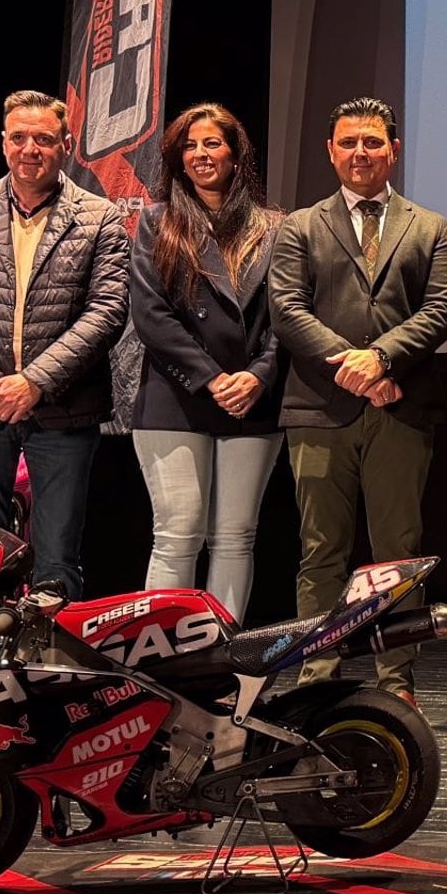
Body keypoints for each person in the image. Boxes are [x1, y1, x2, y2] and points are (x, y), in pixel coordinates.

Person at [268, 97, 447, 700]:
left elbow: (444, 306)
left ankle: (396, 680)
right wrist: (353, 367)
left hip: (401, 409)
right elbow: (286, 309)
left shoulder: (429, 225)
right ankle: (316, 678)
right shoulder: (300, 226)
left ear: (393, 150)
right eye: (349, 142)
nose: (361, 153)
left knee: (397, 551)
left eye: (373, 142)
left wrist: (380, 358)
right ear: (331, 151)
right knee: (321, 551)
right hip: (319, 410)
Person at [0, 89, 129, 597]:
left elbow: (107, 311)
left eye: (43, 138)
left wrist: (34, 382)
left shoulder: (100, 217)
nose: (30, 148)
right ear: (3, 143)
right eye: (19, 137)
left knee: (58, 556)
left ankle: (48, 670)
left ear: (67, 145)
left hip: (63, 410)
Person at [128, 102, 285, 623]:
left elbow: (288, 317)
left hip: (253, 402)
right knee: (177, 535)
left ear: (236, 155)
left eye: (212, 143)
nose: (200, 154)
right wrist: (212, 378)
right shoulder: (157, 222)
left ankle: (224, 656)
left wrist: (259, 375)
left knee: (236, 538)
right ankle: (165, 659)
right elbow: (150, 315)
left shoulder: (274, 227)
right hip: (176, 399)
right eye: (190, 146)